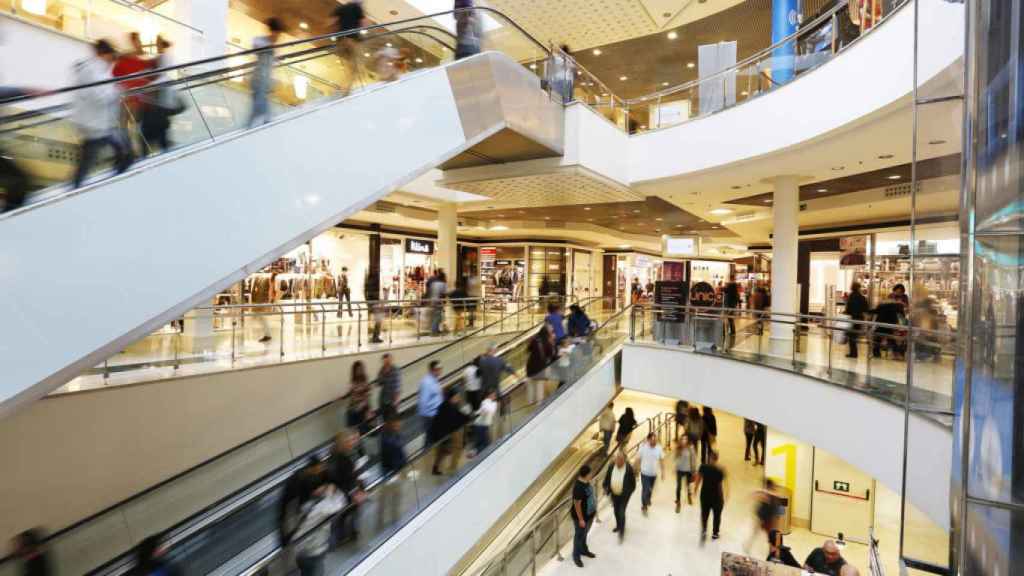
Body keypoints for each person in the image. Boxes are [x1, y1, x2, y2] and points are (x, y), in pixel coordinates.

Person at [73, 39, 133, 189]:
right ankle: (77, 187)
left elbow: (103, 91)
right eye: (110, 54)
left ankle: (78, 185)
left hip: (97, 123)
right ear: (104, 53)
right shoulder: (92, 70)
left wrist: (115, 89)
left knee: (119, 152)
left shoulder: (96, 68)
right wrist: (117, 90)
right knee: (121, 153)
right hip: (95, 124)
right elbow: (100, 96)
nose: (112, 58)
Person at [293, 478, 346, 576]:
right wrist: (331, 492)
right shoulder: (320, 508)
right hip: (312, 552)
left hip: (301, 551)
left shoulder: (307, 504)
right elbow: (338, 506)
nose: (325, 488)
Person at [139, 36, 179, 155]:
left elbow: (163, 76)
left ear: (162, 44)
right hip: (159, 102)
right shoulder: (163, 57)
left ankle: (149, 154)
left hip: (160, 101)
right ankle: (160, 151)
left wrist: (149, 84)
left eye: (157, 43)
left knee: (156, 131)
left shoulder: (165, 57)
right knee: (159, 132)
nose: (156, 46)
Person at [278, 456, 325, 548]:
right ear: (313, 467)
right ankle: (289, 546)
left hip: (293, 509)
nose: (320, 471)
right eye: (319, 468)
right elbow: (296, 500)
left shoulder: (307, 475)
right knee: (290, 533)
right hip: (290, 510)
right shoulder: (299, 479)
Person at [329, 430, 365, 544]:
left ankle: (346, 534)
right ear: (343, 443)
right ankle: (344, 535)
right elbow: (345, 477)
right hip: (345, 491)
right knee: (345, 514)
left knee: (346, 513)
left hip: (346, 490)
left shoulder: (342, 455)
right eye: (350, 440)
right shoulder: (341, 458)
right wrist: (355, 491)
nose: (353, 443)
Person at [248, 18, 283, 128]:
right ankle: (258, 125)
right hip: (258, 78)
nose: (278, 37)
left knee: (261, 105)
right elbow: (255, 46)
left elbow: (274, 64)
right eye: (277, 34)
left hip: (266, 80)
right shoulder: (260, 40)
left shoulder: (274, 46)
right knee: (260, 104)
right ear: (273, 31)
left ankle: (255, 125)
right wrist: (269, 48)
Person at [377, 411, 407, 528]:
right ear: (390, 424)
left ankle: (394, 516)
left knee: (396, 494)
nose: (399, 426)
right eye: (396, 424)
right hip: (389, 470)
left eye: (399, 423)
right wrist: (400, 468)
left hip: (395, 469)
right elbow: (393, 453)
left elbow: (401, 451)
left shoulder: (395, 433)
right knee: (386, 494)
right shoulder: (386, 438)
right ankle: (381, 518)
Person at [429, 388, 469, 475]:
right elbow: (452, 421)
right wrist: (465, 419)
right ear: (452, 397)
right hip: (442, 433)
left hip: (443, 433)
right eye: (457, 396)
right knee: (456, 447)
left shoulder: (450, 404)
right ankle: (452, 469)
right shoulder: (447, 407)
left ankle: (437, 467)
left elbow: (457, 414)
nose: (458, 398)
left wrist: (466, 417)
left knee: (443, 450)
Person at [334, 0, 368, 95]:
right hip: (352, 39)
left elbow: (330, 22)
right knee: (356, 67)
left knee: (347, 66)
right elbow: (364, 23)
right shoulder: (357, 8)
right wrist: (362, 32)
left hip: (341, 40)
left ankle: (340, 87)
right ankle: (345, 90)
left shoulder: (342, 8)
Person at [694, 450, 727, 543]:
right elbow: (720, 486)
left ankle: (704, 530)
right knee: (717, 515)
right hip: (716, 497)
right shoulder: (720, 470)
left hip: (705, 495)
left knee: (704, 514)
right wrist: (722, 498)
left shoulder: (703, 467)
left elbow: (698, 479)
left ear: (709, 457)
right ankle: (715, 533)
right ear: (717, 459)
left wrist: (695, 491)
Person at [602, 451, 636, 541]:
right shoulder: (611, 466)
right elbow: (607, 479)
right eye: (617, 459)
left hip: (624, 495)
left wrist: (629, 492)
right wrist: (605, 488)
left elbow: (633, 483)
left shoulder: (628, 468)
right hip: (614, 494)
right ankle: (618, 526)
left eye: (620, 459)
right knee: (616, 511)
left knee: (621, 511)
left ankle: (622, 531)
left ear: (624, 460)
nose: (617, 461)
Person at [570, 464, 597, 567]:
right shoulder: (578, 487)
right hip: (581, 518)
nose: (592, 474)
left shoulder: (586, 482)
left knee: (584, 534)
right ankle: (576, 556)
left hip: (589, 515)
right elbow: (577, 505)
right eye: (590, 473)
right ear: (586, 475)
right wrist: (581, 520)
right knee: (579, 536)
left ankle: (583, 550)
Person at [747, 479, 780, 552]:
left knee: (761, 534)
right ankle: (770, 551)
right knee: (767, 536)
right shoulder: (767, 495)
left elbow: (753, 494)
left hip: (765, 518)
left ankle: (748, 546)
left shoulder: (769, 495)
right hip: (764, 518)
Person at [526, 325, 555, 404]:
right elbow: (551, 355)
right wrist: (552, 344)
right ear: (547, 332)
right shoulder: (548, 342)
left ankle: (530, 402)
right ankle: (539, 403)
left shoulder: (535, 339)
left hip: (530, 365)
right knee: (539, 386)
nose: (552, 332)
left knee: (530, 384)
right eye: (551, 331)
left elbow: (528, 350)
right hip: (541, 367)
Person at [871, 293, 905, 359]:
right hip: (890, 325)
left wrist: (867, 311)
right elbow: (900, 313)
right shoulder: (896, 305)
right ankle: (897, 354)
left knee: (878, 339)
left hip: (881, 324)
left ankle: (876, 353)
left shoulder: (882, 304)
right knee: (891, 340)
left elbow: (876, 311)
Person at [636, 432, 663, 515]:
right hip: (644, 473)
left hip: (653, 474)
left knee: (650, 489)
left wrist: (663, 471)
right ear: (648, 440)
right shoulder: (643, 447)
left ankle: (648, 499)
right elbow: (638, 458)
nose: (654, 441)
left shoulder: (659, 448)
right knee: (645, 489)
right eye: (652, 440)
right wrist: (636, 469)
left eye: (655, 440)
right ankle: (644, 506)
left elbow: (661, 460)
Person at [418, 360, 444, 435]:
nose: (440, 371)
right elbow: (423, 402)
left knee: (435, 436)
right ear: (432, 370)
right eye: (438, 369)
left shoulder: (435, 380)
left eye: (440, 368)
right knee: (430, 438)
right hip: (430, 416)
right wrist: (427, 418)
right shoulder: (426, 382)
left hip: (436, 413)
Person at [844, 282, 868, 359]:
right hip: (859, 319)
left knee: (851, 336)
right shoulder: (862, 297)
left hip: (852, 318)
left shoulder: (851, 296)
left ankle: (853, 353)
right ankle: (854, 353)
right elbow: (866, 308)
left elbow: (848, 309)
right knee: (854, 336)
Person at [347, 361, 371, 434]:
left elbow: (367, 395)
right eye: (357, 369)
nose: (359, 371)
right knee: (354, 430)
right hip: (353, 408)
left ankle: (361, 441)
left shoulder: (365, 380)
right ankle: (357, 442)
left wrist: (368, 408)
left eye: (360, 369)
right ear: (354, 370)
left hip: (362, 408)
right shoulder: (353, 381)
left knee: (363, 429)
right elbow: (352, 394)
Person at [471, 388, 498, 453]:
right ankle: (476, 452)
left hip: (481, 424)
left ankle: (475, 451)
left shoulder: (491, 403)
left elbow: (488, 411)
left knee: (482, 442)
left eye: (495, 395)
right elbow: (488, 410)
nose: (494, 396)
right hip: (481, 425)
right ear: (488, 396)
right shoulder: (486, 402)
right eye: (493, 395)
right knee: (484, 443)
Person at [674, 434, 697, 511]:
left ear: (688, 440)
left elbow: (693, 459)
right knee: (679, 487)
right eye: (683, 439)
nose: (684, 441)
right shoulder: (678, 448)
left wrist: (693, 469)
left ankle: (689, 496)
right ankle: (678, 502)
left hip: (688, 470)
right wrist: (676, 466)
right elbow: (676, 458)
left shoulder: (691, 448)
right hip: (679, 470)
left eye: (686, 439)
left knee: (688, 485)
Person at [428, 269, 448, 335]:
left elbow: (430, 291)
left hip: (432, 300)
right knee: (437, 317)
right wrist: (444, 302)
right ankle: (434, 332)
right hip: (439, 301)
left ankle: (436, 329)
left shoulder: (434, 283)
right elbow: (443, 294)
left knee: (436, 316)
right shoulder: (443, 284)